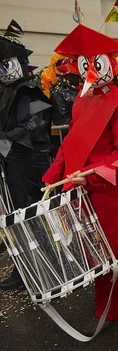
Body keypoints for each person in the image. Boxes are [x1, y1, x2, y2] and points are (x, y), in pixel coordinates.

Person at [41, 24, 118, 329]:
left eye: (95, 61)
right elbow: (72, 141)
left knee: (103, 248)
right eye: (84, 63)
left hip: (106, 186)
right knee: (103, 248)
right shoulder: (82, 99)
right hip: (81, 185)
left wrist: (91, 177)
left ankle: (107, 308)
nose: (89, 69)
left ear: (109, 61)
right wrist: (54, 176)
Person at [0, 21, 53, 290]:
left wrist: (4, 142)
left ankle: (45, 265)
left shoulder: (30, 89)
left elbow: (35, 126)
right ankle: (24, 268)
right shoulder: (6, 91)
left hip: (29, 165)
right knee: (15, 216)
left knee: (29, 214)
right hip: (11, 164)